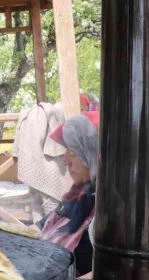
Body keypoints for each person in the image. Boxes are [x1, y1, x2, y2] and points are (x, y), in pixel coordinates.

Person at [38, 114, 97, 276]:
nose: (65, 161)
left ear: (93, 155)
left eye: (72, 153)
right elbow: (39, 228)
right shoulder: (78, 194)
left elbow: (116, 270)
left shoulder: (110, 206)